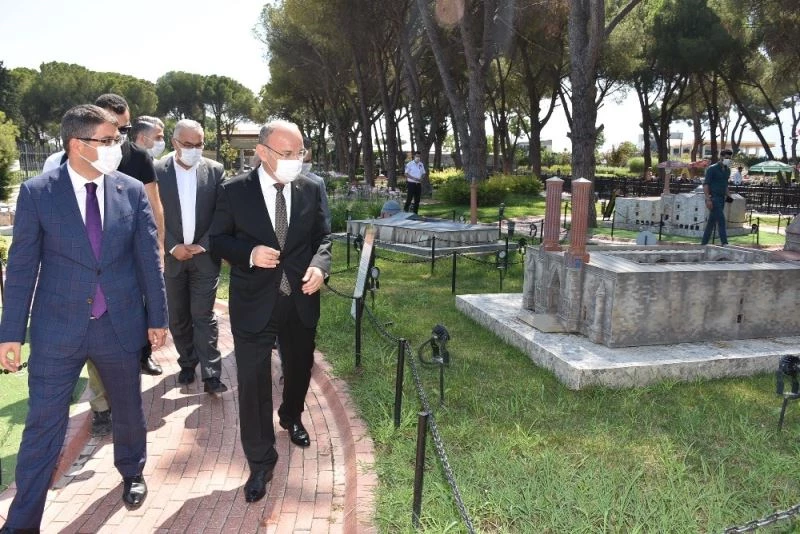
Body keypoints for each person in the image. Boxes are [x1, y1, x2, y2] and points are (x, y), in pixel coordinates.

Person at [0, 105, 168, 531]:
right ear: (78, 145)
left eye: (117, 139)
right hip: (57, 329)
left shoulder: (130, 190)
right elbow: (21, 268)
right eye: (108, 140)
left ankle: (132, 471)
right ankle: (22, 523)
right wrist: (10, 334)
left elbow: (149, 260)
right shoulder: (38, 193)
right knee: (43, 425)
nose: (117, 147)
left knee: (128, 408)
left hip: (118, 322)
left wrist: (158, 317)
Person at [209, 119, 331, 503]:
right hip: (253, 302)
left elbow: (323, 238)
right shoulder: (233, 191)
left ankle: (291, 416)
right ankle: (261, 461)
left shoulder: (312, 187)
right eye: (288, 153)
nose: (297, 160)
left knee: (298, 368)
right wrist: (249, 253)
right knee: (252, 382)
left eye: (300, 152)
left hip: (300, 299)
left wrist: (320, 267)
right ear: (262, 152)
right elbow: (217, 240)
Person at [156, 119, 226, 394]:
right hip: (171, 258)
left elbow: (223, 213)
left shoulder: (215, 170)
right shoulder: (157, 171)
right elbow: (149, 214)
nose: (195, 149)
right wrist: (172, 246)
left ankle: (211, 373)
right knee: (178, 316)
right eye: (188, 144)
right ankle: (187, 362)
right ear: (174, 143)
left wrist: (204, 244)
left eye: (200, 144)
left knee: (203, 314)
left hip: (204, 258)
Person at [701, 148, 733, 246]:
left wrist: (729, 195)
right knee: (721, 220)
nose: (728, 160)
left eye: (729, 158)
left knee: (711, 222)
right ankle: (724, 243)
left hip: (722, 199)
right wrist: (708, 199)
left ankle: (703, 244)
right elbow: (706, 185)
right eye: (726, 157)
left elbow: (725, 185)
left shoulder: (727, 170)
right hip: (713, 198)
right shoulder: (712, 169)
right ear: (721, 157)